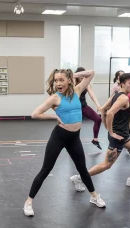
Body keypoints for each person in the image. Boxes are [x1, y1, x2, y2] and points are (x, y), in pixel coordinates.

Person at [23, 68, 106, 217]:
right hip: (59, 136)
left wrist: (74, 75)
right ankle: (28, 202)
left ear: (69, 80)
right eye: (56, 80)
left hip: (75, 138)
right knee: (46, 169)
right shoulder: (55, 98)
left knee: (82, 169)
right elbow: (35, 114)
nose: (58, 83)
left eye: (61, 80)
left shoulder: (78, 90)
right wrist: (53, 117)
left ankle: (94, 196)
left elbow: (92, 73)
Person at [70, 72, 130, 191]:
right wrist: (111, 132)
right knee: (106, 165)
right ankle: (79, 178)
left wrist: (106, 126)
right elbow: (110, 112)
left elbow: (102, 109)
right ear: (122, 83)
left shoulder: (116, 95)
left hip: (123, 135)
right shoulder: (123, 98)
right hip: (118, 137)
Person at [75, 67, 102, 150]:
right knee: (76, 126)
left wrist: (98, 105)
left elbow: (92, 95)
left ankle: (95, 140)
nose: (83, 78)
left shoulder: (86, 83)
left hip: (83, 106)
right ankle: (73, 142)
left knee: (98, 119)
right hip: (74, 108)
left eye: (84, 76)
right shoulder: (72, 83)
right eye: (81, 76)